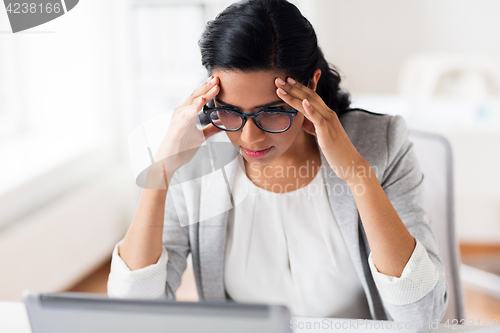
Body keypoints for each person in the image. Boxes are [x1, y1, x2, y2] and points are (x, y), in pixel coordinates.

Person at [108, 0, 448, 328]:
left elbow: (421, 318)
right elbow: (134, 313)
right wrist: (162, 173)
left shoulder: (382, 142)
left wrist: (357, 174)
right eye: (230, 111)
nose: (249, 137)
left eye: (270, 112)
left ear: (310, 86)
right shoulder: (197, 163)